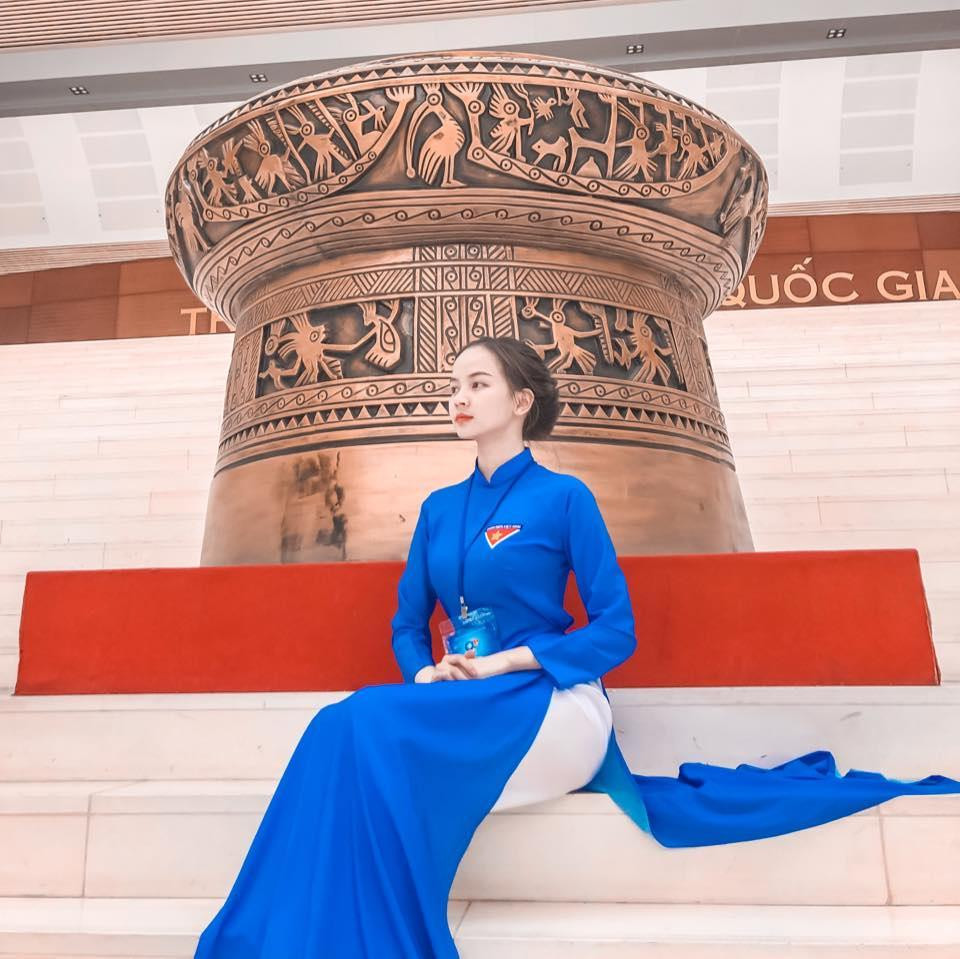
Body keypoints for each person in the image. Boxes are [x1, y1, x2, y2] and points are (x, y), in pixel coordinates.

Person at [194, 336, 960, 959]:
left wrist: (508, 660)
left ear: (521, 401)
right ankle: (291, 938)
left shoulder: (564, 497)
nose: (459, 397)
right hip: (462, 700)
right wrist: (424, 673)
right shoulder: (438, 508)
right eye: (454, 386)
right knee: (341, 727)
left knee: (361, 729)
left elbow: (615, 629)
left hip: (552, 702)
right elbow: (405, 624)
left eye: (478, 384)